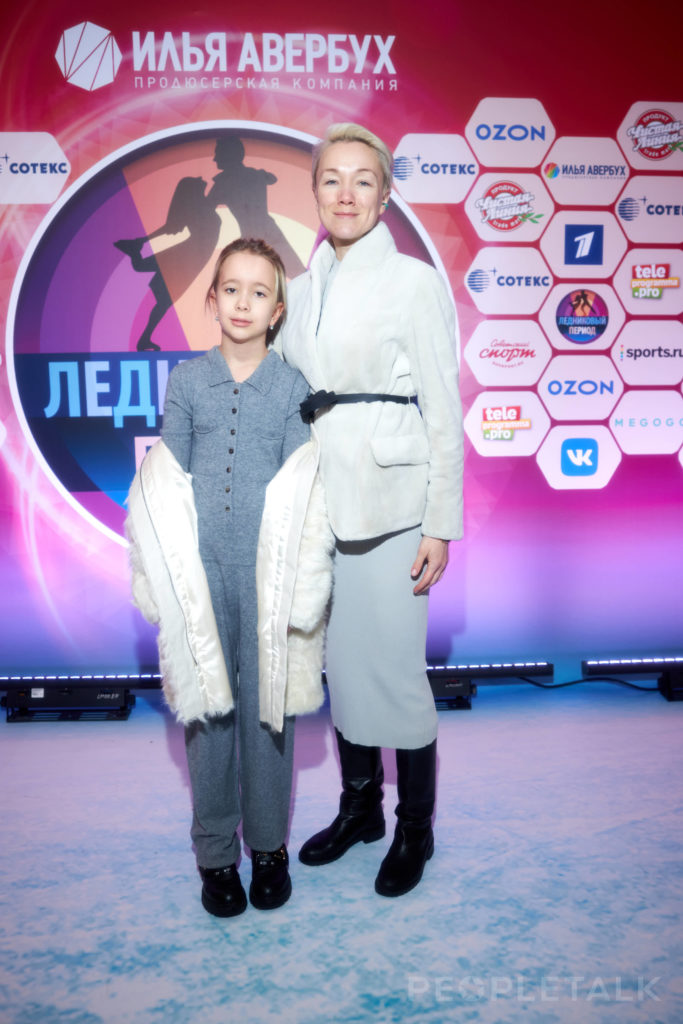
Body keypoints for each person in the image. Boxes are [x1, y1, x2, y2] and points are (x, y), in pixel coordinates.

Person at [278, 123, 464, 898]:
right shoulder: (300, 287)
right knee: (343, 671)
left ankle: (416, 826)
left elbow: (443, 406)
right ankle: (361, 811)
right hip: (320, 500)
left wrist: (440, 523)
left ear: (384, 196)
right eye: (332, 179)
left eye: (363, 180)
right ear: (315, 192)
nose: (346, 193)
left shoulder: (413, 281)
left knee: (394, 672)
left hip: (393, 502)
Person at [159, 238, 311, 916]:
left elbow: (304, 491)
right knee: (209, 710)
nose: (243, 302)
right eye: (231, 288)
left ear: (277, 311)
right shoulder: (187, 382)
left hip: (270, 578)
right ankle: (216, 854)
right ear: (212, 299)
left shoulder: (293, 388)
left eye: (259, 291)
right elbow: (165, 484)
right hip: (201, 574)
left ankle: (269, 848)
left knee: (268, 710)